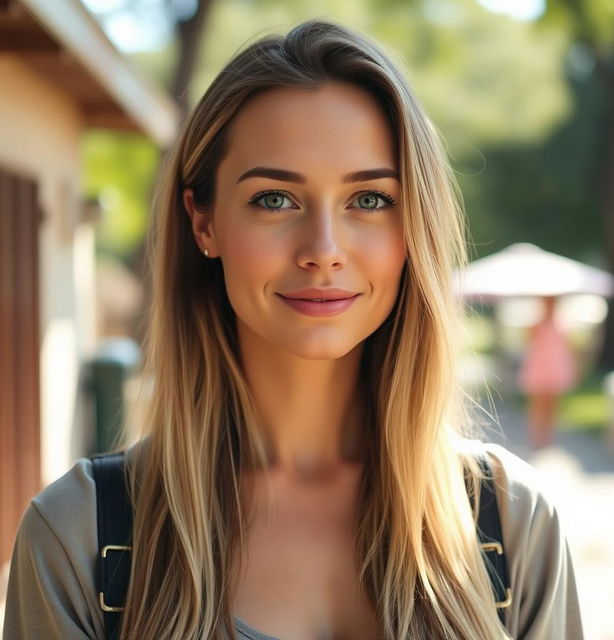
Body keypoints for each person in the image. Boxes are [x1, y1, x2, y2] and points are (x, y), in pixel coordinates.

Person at [3, 20, 583, 640]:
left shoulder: (513, 525)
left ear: (416, 224)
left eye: (370, 200)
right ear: (203, 223)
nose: (324, 250)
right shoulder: (80, 536)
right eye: (275, 198)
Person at [519, 296, 577, 449]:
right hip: (540, 366)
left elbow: (569, 346)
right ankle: (536, 436)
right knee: (538, 403)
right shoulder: (537, 323)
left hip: (555, 366)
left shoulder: (562, 322)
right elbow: (528, 341)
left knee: (552, 404)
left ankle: (548, 438)